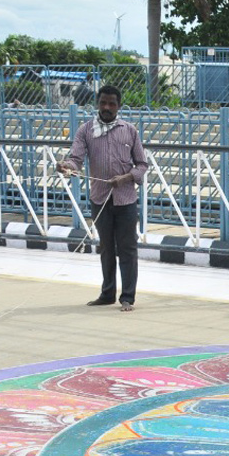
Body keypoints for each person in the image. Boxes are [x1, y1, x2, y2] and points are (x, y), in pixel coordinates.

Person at [57, 85, 148, 312]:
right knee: (106, 247)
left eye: (112, 104)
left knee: (127, 248)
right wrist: (66, 167)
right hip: (100, 198)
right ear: (97, 103)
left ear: (119, 106)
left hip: (126, 199)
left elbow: (142, 165)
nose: (107, 108)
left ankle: (127, 297)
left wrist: (127, 177)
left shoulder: (129, 131)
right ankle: (107, 293)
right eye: (103, 103)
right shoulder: (86, 131)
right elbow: (76, 159)